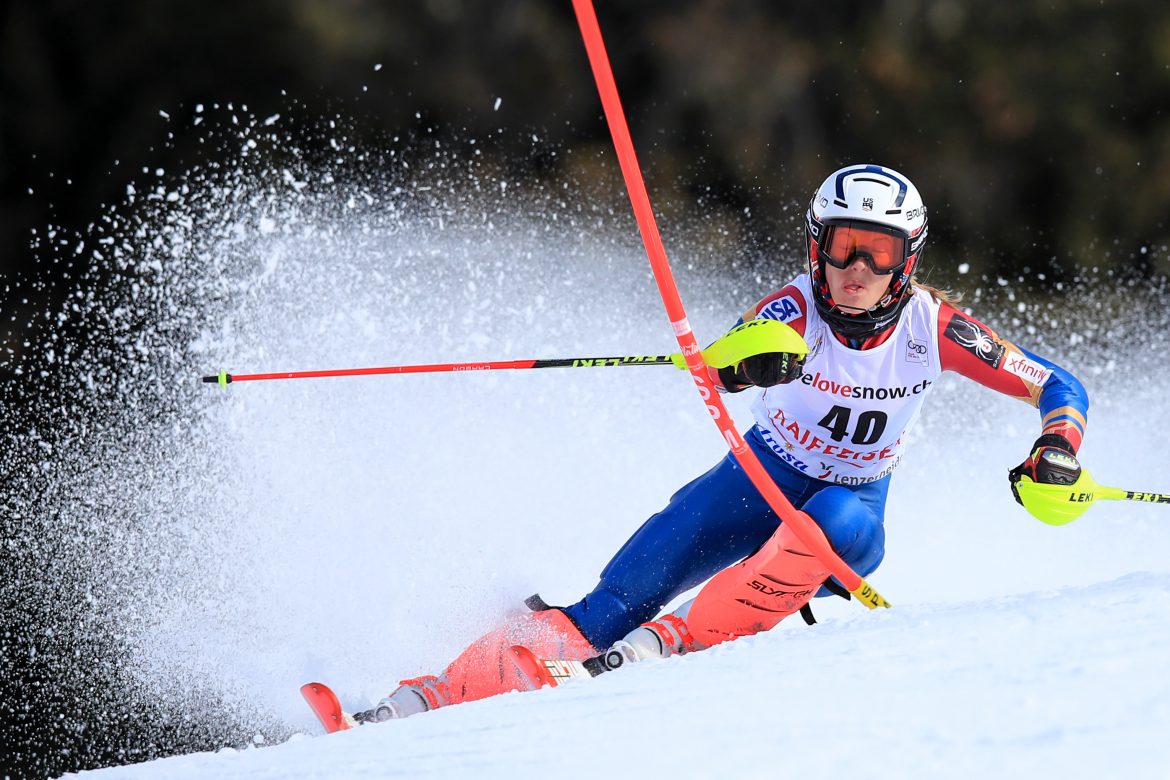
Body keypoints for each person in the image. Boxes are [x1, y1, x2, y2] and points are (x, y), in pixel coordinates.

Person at [356, 163, 1089, 722]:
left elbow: (1056, 384)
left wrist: (1059, 445)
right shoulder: (794, 307)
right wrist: (744, 360)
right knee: (615, 598)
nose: (858, 270)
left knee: (827, 523)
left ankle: (664, 645)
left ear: (910, 259)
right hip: (752, 483)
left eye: (880, 252)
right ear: (817, 246)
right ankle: (428, 695)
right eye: (843, 247)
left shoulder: (936, 327)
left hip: (849, 519)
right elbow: (728, 355)